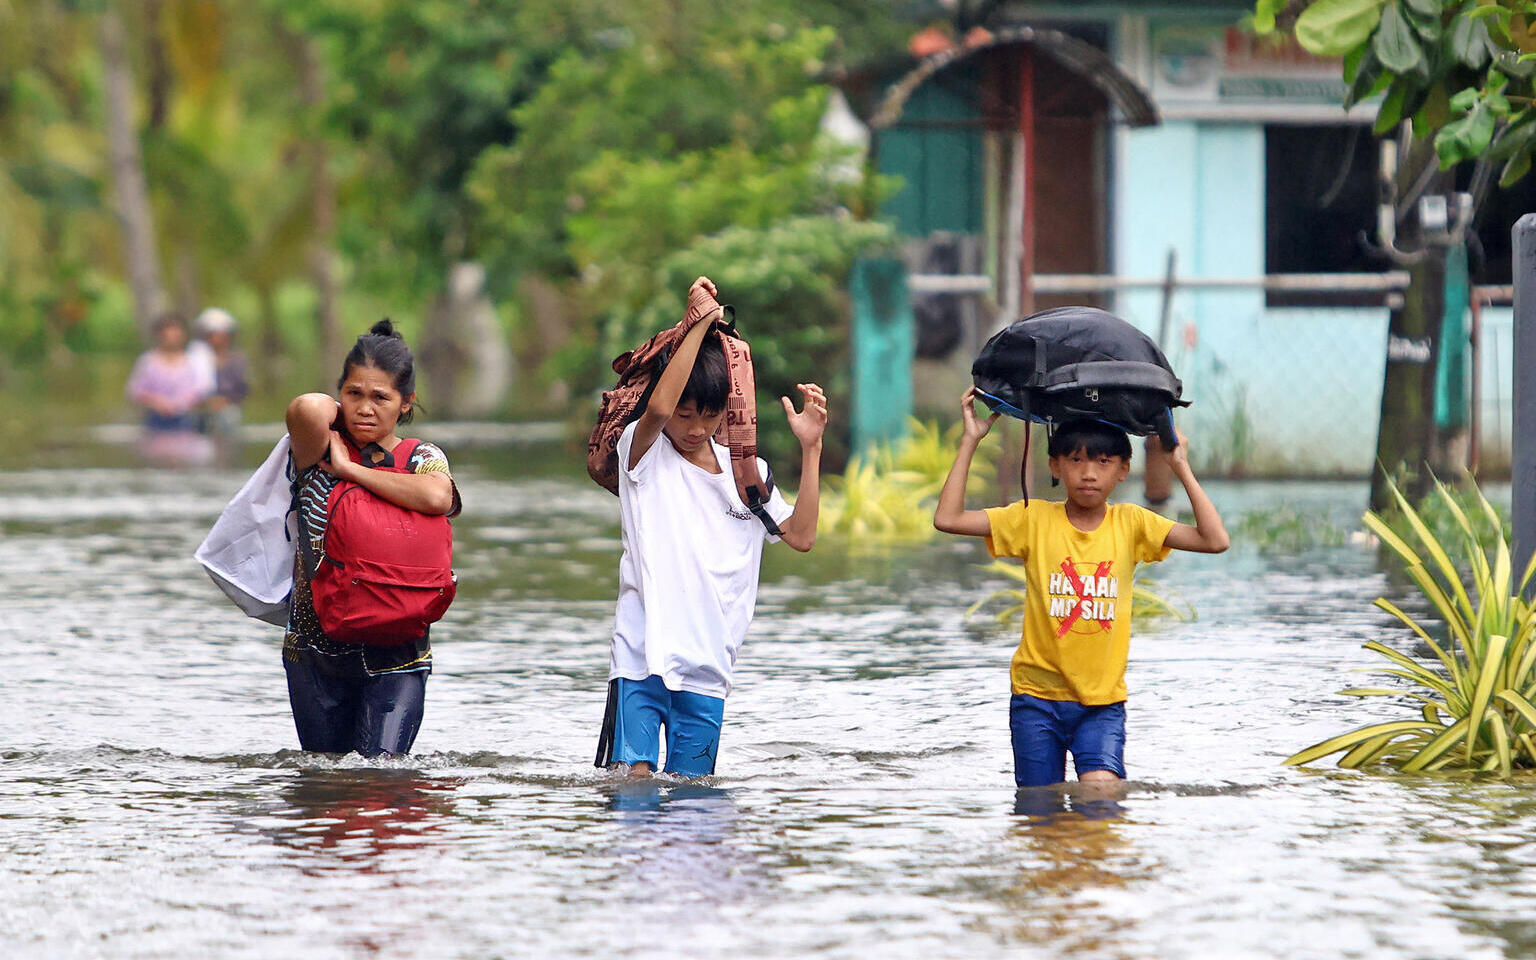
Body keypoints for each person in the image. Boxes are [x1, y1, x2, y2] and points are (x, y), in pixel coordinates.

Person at [933, 388, 1229, 788]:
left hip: (1102, 704)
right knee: (1039, 807)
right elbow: (948, 518)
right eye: (1076, 460)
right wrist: (971, 440)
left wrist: (1179, 465)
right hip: (1036, 699)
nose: (1089, 473)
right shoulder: (1032, 519)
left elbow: (1215, 540)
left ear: (1123, 470)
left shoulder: (1132, 523)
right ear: (1055, 465)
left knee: (1101, 793)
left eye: (1103, 461)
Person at [596, 276, 826, 779]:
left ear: (726, 411)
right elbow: (659, 408)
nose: (695, 427)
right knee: (632, 785)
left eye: (708, 414)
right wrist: (698, 324)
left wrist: (811, 449)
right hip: (640, 658)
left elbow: (802, 536)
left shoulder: (748, 475)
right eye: (685, 415)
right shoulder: (643, 454)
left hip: (708, 669)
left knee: (694, 797)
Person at [282, 320, 461, 757]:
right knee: (326, 780)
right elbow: (305, 407)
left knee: (382, 776)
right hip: (316, 652)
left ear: (406, 403)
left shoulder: (423, 458)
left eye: (381, 398)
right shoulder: (317, 448)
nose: (365, 409)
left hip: (399, 656)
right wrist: (338, 424)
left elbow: (439, 497)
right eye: (354, 394)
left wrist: (351, 471)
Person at [126, 313, 209, 433]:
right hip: (155, 419)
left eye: (176, 334)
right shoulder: (147, 361)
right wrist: (157, 402)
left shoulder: (194, 361)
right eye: (167, 334)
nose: (171, 338)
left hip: (186, 420)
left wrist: (178, 404)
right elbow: (134, 391)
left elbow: (202, 390)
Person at [190, 307, 250, 439]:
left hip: (228, 408)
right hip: (200, 409)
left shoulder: (237, 359)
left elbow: (242, 388)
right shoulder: (197, 357)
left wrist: (225, 400)